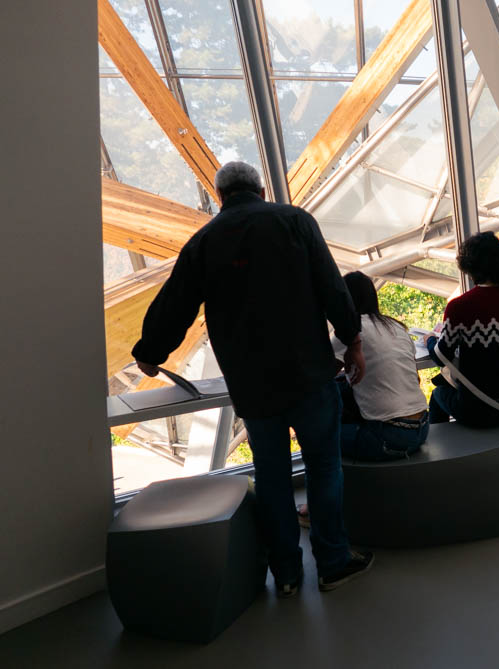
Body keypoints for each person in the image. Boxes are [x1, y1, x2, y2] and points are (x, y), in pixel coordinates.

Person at [131, 161, 373, 597]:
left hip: (254, 386)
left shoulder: (204, 242)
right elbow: (331, 286)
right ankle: (333, 563)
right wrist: (352, 339)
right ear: (261, 189)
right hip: (310, 374)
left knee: (273, 476)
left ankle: (285, 575)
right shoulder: (295, 222)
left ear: (221, 196)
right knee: (324, 467)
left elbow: (176, 303)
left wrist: (150, 354)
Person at [297, 271, 429, 528]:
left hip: (388, 438)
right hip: (421, 427)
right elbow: (414, 379)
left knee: (314, 438)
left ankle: (315, 511)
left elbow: (316, 377)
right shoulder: (396, 328)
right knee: (342, 389)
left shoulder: (348, 332)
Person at [425, 232, 499, 427]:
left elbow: (441, 357)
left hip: (475, 410)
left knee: (438, 393)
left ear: (470, 267)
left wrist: (430, 340)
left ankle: (444, 454)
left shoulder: (459, 307)